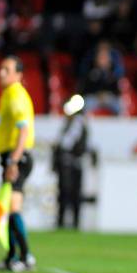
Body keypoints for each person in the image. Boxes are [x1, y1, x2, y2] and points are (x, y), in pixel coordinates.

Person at [0, 56, 36, 273]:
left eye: (7, 69)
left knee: (13, 207)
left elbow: (23, 130)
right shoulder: (7, 96)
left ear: (18, 75)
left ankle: (26, 257)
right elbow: (10, 130)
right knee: (9, 209)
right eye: (0, 68)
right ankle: (12, 256)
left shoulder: (16, 96)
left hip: (17, 157)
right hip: (10, 155)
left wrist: (13, 160)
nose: (1, 72)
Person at [53, 95, 88, 229]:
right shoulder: (77, 123)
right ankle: (69, 222)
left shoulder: (77, 123)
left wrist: (58, 148)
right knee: (69, 193)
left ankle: (68, 222)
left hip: (70, 163)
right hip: (72, 162)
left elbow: (66, 143)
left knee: (68, 193)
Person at [78, 41, 125, 114]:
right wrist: (98, 95)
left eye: (105, 58)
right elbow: (85, 90)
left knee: (121, 104)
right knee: (86, 103)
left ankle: (121, 124)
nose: (103, 60)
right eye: (101, 58)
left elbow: (118, 91)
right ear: (97, 60)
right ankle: (86, 123)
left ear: (109, 60)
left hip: (109, 98)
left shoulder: (114, 73)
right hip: (95, 98)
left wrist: (106, 94)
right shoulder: (91, 73)